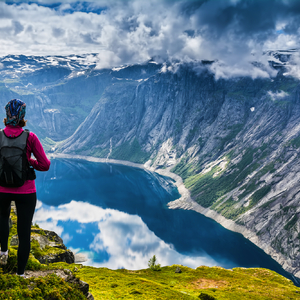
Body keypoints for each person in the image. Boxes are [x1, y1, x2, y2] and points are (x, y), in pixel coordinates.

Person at [0, 99, 50, 277]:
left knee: (2, 219)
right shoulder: (31, 137)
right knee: (24, 232)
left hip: (1, 190)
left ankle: (3, 252)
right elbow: (45, 165)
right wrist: (27, 161)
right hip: (26, 191)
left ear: (6, 114)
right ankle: (20, 274)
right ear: (23, 116)